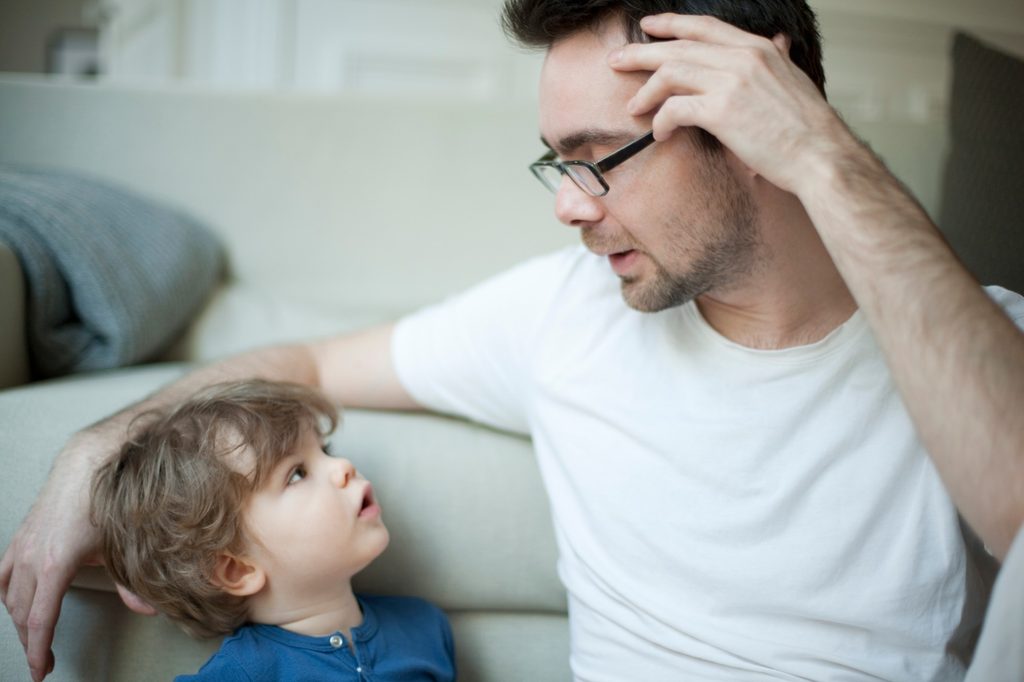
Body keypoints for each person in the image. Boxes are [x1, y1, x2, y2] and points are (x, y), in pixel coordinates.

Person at [4, 0, 1024, 680]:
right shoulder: (561, 314)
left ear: (755, 119)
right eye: (558, 164)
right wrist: (95, 449)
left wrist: (820, 152)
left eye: (600, 159)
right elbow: (306, 366)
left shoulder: (975, 340)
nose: (570, 210)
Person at [89, 379, 455, 681]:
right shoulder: (243, 674)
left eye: (325, 450)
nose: (343, 465)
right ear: (238, 569)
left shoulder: (423, 625)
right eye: (297, 473)